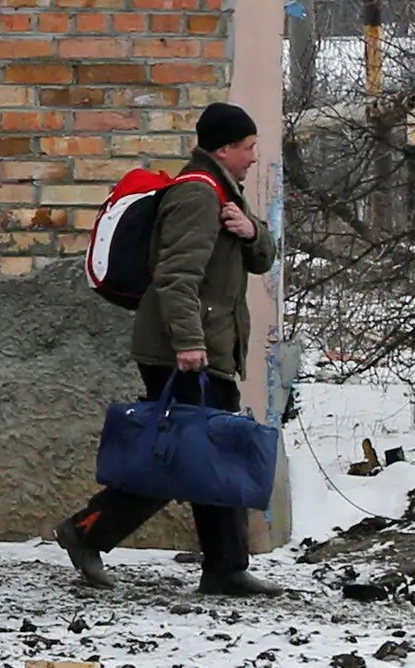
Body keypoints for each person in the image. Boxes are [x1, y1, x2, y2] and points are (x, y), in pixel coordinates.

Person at [60, 101, 277, 595]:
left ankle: (226, 566)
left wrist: (252, 231)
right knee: (180, 456)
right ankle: (86, 532)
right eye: (247, 148)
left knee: (212, 455)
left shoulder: (225, 192)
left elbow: (263, 258)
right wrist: (189, 344)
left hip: (208, 345)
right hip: (182, 349)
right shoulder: (198, 195)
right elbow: (176, 278)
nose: (252, 157)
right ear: (224, 148)